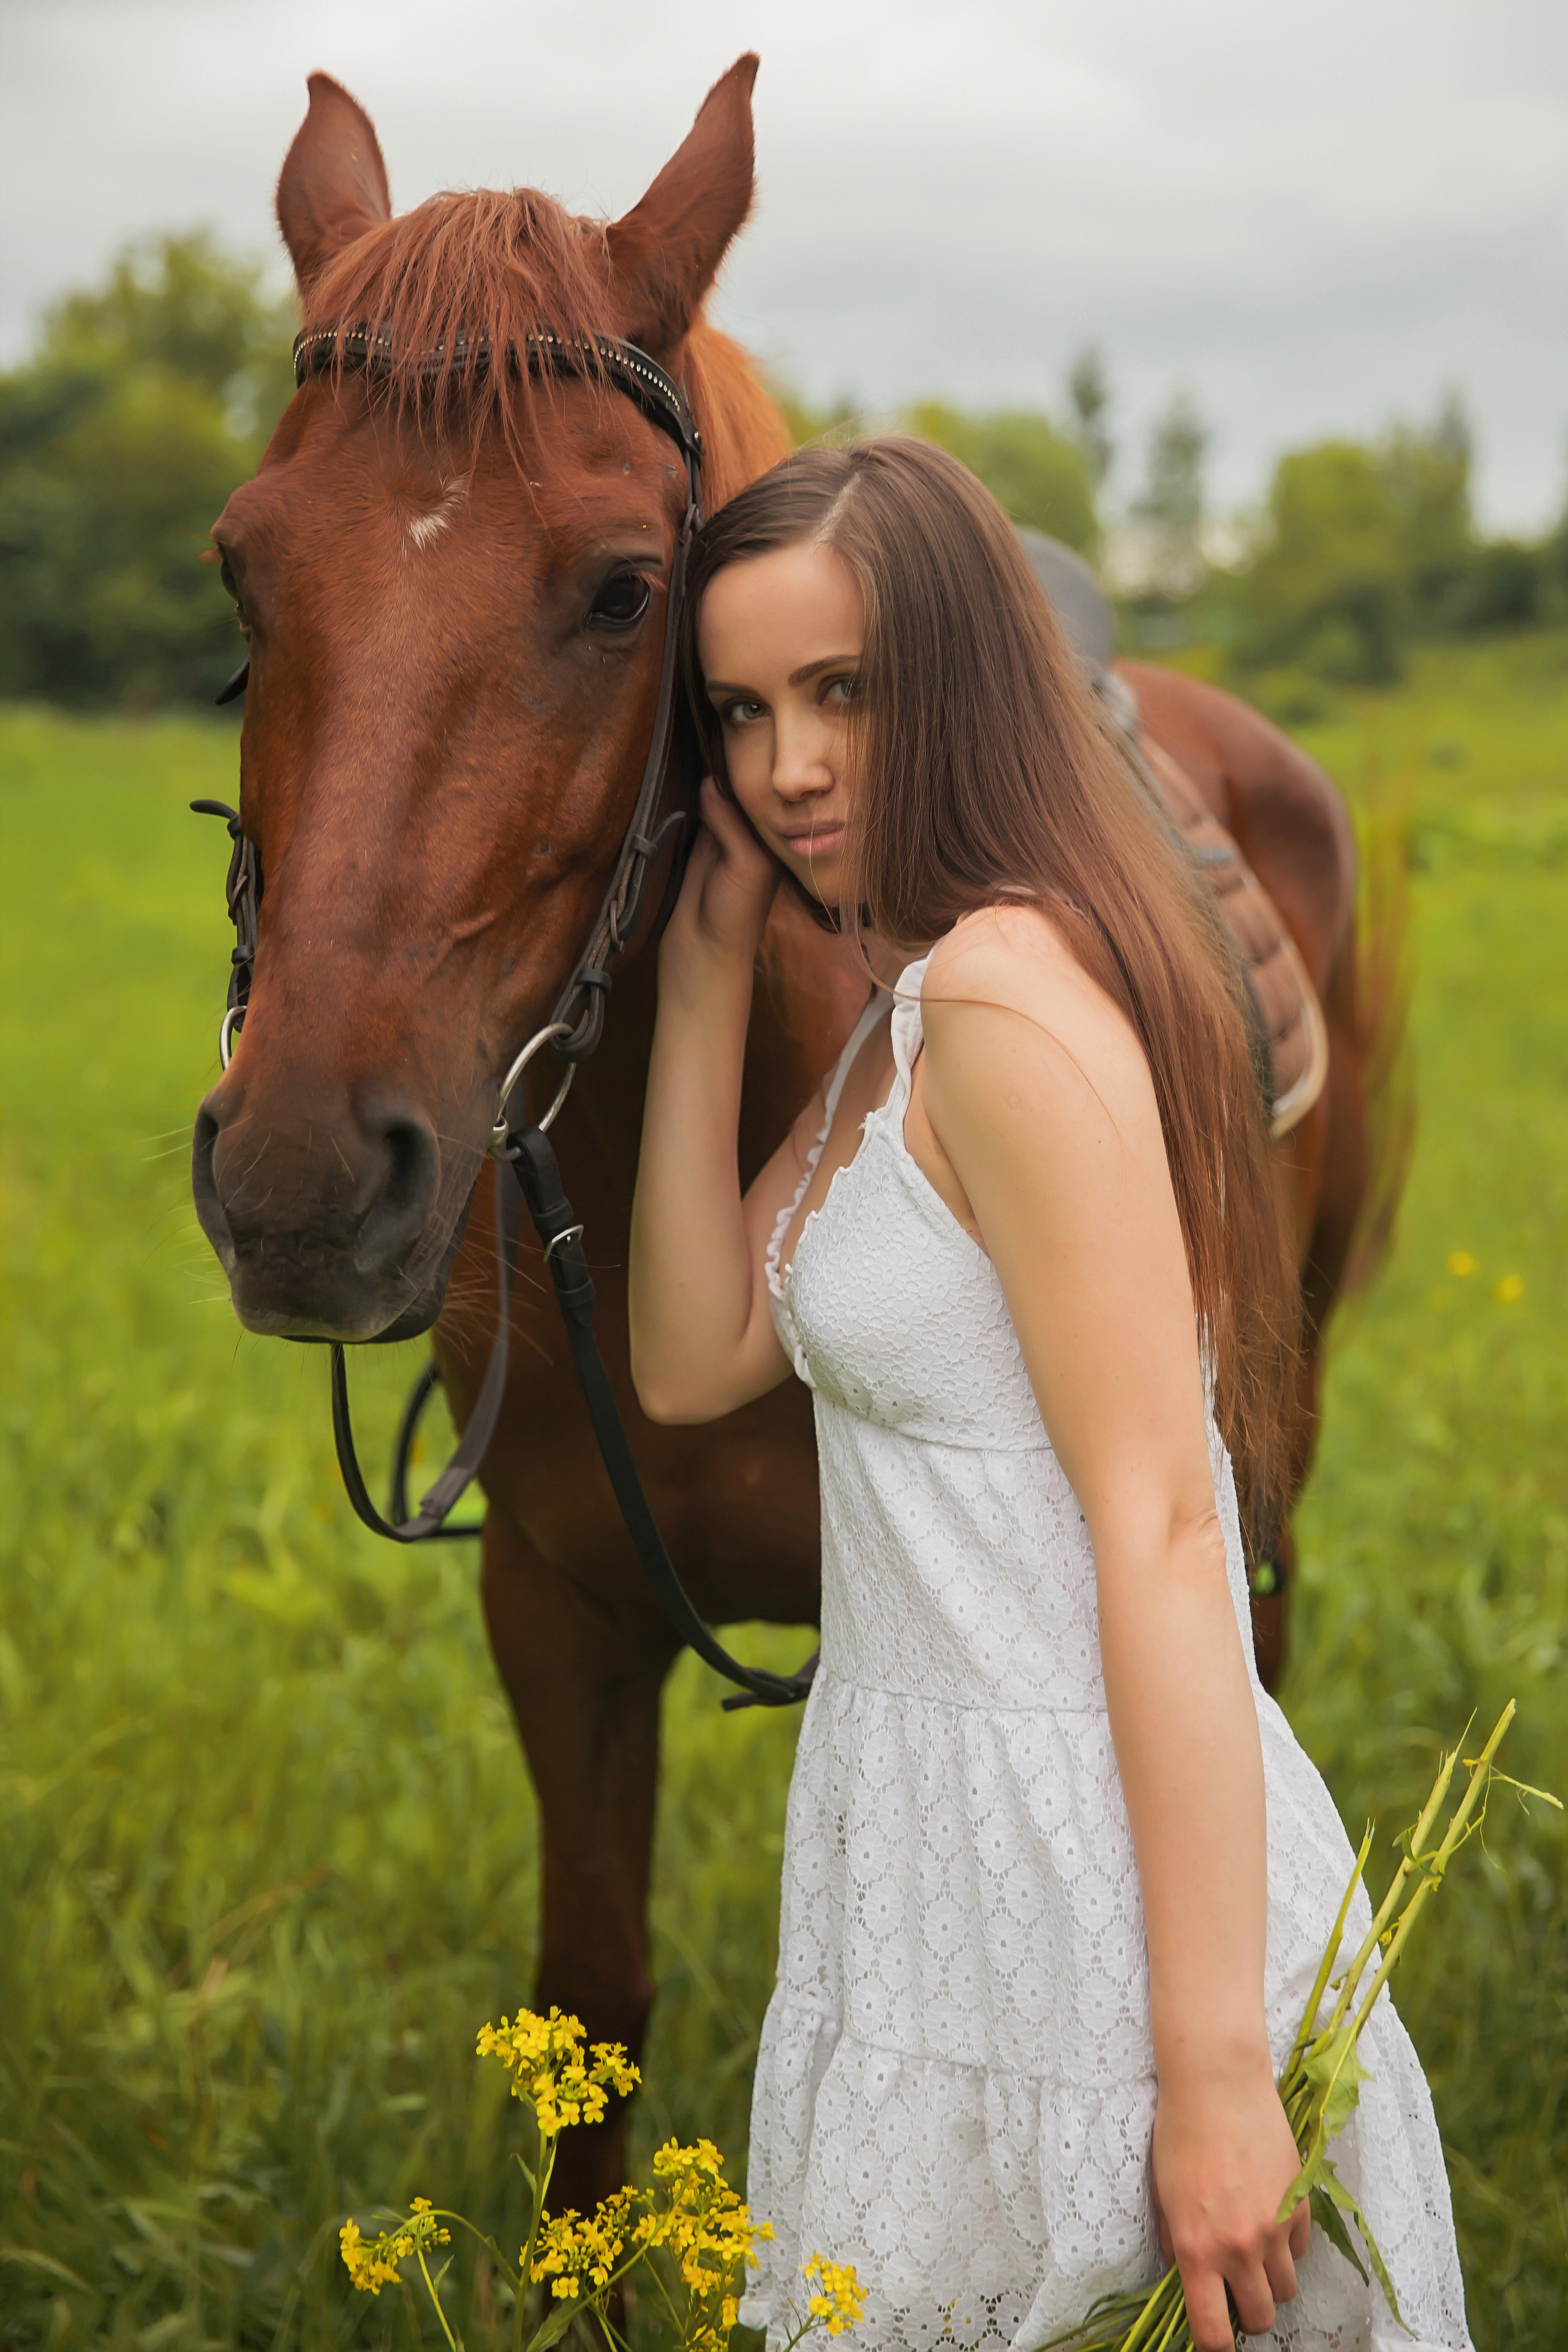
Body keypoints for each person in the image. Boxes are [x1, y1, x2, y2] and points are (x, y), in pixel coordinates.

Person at [627, 439, 1470, 2352]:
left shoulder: (1005, 1009)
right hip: (930, 1835)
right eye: (742, 712)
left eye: (843, 691)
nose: (790, 766)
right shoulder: (910, 1010)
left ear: (961, 678)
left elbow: (1167, 1527)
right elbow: (689, 1355)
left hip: (1090, 1862)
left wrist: (1215, 2073)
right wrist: (703, 980)